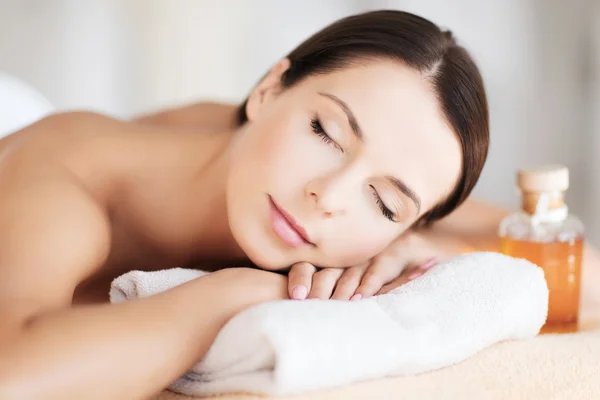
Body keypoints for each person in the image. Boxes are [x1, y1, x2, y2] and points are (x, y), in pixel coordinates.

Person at [0, 9, 489, 400]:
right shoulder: (68, 181)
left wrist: (412, 247)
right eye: (325, 132)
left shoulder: (362, 212)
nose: (330, 196)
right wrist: (232, 294)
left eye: (383, 203)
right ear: (268, 90)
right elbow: (14, 375)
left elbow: (528, 229)